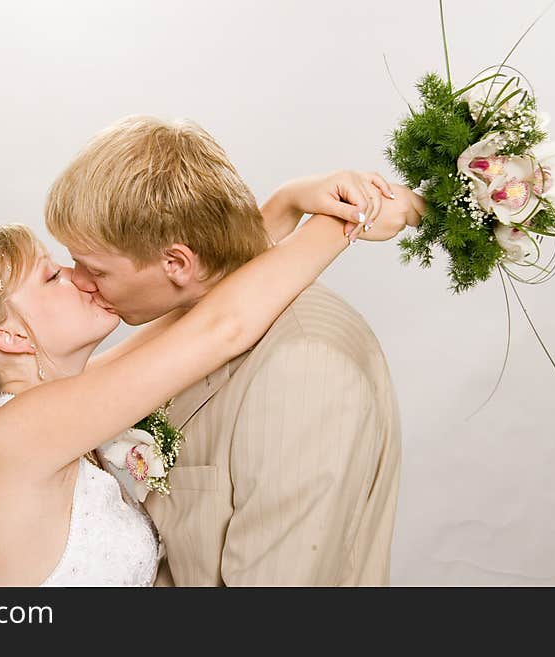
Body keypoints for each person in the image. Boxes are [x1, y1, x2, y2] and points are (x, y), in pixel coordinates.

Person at [0, 132, 422, 587]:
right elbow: (219, 328)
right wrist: (348, 222)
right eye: (52, 276)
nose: (80, 278)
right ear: (12, 339)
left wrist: (289, 203)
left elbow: (192, 303)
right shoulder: (20, 437)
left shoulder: (54, 408)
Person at [45, 116, 425, 585]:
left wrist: (303, 204)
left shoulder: (303, 368)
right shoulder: (193, 319)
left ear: (177, 263)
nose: (77, 281)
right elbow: (224, 318)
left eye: (94, 269)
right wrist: (322, 210)